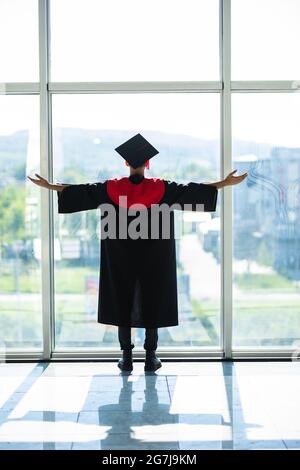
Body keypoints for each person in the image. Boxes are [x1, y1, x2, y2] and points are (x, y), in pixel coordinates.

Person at [28, 133, 247, 372]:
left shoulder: (110, 188)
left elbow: (81, 192)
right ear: (148, 164)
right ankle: (151, 357)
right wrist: (224, 183)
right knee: (153, 298)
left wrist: (50, 186)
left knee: (122, 299)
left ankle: (127, 357)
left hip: (120, 256)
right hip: (155, 257)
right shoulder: (162, 188)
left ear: (126, 163)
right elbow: (193, 190)